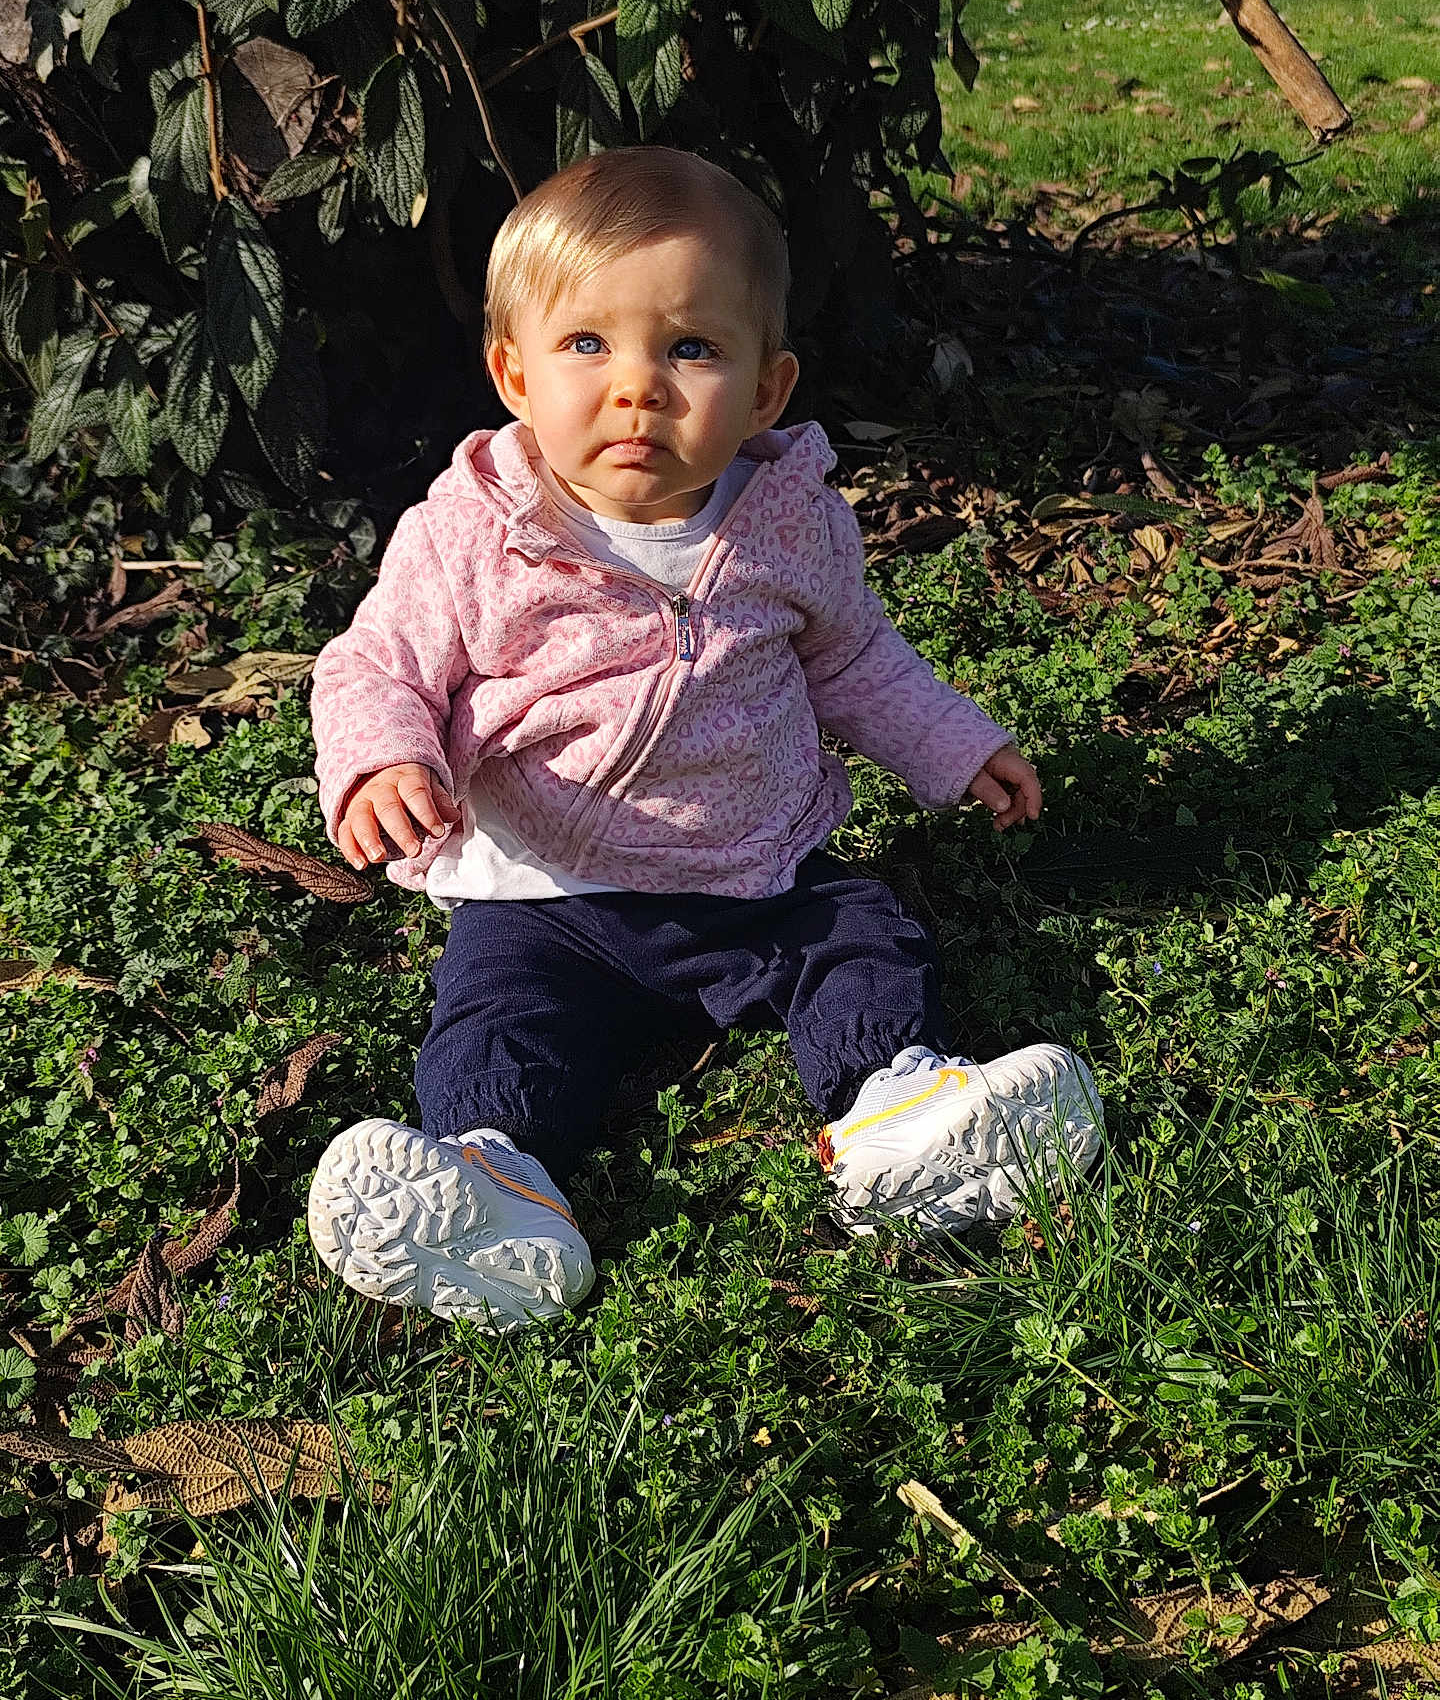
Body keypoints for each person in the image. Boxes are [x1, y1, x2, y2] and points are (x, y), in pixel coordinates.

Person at [305, 145, 1101, 1332]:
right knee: (497, 1017)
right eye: (588, 345)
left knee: (862, 937)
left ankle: (895, 1115)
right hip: (546, 896)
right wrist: (382, 758)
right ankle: (492, 1178)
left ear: (768, 390)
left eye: (690, 348)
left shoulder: (789, 522)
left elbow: (853, 658)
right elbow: (377, 662)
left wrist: (951, 744)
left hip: (754, 879)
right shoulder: (473, 530)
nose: (638, 387)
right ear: (512, 372)